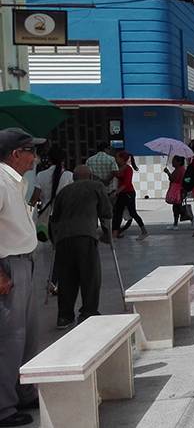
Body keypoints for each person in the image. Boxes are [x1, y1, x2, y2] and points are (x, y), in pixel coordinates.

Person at [0, 128, 45, 428]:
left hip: (25, 261)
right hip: (9, 266)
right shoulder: (1, 181)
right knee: (9, 337)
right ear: (16, 154)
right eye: (31, 150)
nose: (35, 156)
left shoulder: (17, 182)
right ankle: (3, 407)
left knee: (27, 333)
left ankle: (23, 390)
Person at [50, 165, 112, 329]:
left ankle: (64, 316)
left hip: (63, 238)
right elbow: (106, 213)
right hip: (85, 236)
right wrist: (107, 233)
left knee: (66, 278)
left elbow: (55, 218)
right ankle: (88, 312)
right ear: (91, 176)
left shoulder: (64, 191)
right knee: (90, 275)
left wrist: (55, 240)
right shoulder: (97, 186)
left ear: (74, 178)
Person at [29, 147, 74, 294]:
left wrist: (26, 215)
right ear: (63, 160)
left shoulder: (41, 175)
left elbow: (35, 198)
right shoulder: (68, 175)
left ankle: (55, 280)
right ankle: (54, 280)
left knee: (58, 249)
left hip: (49, 219)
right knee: (63, 251)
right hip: (65, 217)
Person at [111, 151, 148, 240]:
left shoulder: (128, 169)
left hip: (128, 193)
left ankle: (144, 231)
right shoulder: (119, 168)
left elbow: (126, 183)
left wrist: (116, 193)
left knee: (132, 212)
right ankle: (114, 234)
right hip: (121, 193)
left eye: (117, 157)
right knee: (117, 213)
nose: (116, 159)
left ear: (122, 159)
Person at [164, 156, 186, 230]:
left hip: (178, 190)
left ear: (179, 162)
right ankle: (175, 224)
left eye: (174, 161)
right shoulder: (180, 169)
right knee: (175, 207)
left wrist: (168, 173)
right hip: (179, 189)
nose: (172, 163)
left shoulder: (179, 170)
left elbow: (174, 179)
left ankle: (190, 218)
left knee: (178, 207)